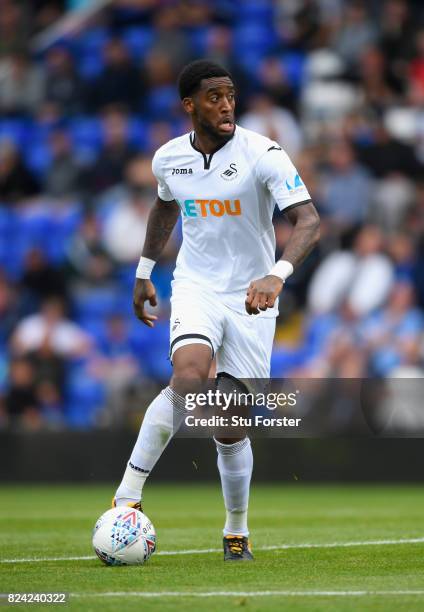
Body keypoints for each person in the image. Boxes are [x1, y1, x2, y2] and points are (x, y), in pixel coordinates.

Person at [113, 60, 320, 561]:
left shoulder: (263, 153)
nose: (227, 104)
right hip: (197, 286)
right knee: (186, 380)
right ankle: (126, 499)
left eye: (230, 94)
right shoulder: (168, 159)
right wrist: (144, 271)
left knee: (229, 423)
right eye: (214, 96)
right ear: (189, 105)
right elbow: (166, 206)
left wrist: (278, 274)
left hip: (252, 297)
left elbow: (308, 221)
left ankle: (236, 530)